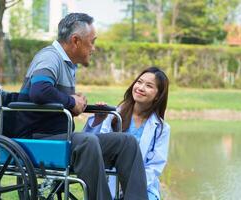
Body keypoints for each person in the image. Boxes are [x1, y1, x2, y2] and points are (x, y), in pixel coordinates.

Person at [16, 13, 148, 200]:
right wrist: (71, 101)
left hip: (59, 138)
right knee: (88, 142)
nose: (93, 48)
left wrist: (75, 101)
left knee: (127, 143)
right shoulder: (50, 57)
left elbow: (51, 96)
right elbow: (39, 90)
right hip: (37, 139)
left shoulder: (67, 64)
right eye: (92, 42)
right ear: (75, 40)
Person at [84, 67, 170, 200]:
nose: (140, 88)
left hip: (144, 187)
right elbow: (94, 147)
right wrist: (97, 120)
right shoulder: (114, 115)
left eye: (149, 86)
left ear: (158, 95)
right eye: (139, 82)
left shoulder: (162, 128)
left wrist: (133, 186)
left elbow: (155, 166)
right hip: (111, 185)